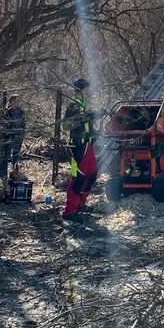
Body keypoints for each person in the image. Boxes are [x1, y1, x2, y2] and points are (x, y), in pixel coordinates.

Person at [61, 78, 100, 222]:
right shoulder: (74, 106)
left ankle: (80, 204)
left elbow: (88, 127)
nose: (91, 91)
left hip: (88, 145)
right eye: (89, 88)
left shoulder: (86, 105)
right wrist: (82, 120)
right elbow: (65, 126)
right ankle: (70, 211)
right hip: (78, 146)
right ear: (83, 89)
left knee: (92, 174)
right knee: (79, 177)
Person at [2, 94, 26, 170]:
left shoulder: (21, 112)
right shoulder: (7, 112)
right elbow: (5, 125)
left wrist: (22, 134)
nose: (17, 103)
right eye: (15, 101)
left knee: (16, 153)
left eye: (18, 101)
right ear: (11, 102)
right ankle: (4, 171)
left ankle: (15, 169)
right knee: (7, 153)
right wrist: (7, 135)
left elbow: (23, 124)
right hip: (10, 135)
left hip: (19, 135)